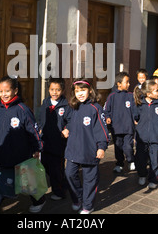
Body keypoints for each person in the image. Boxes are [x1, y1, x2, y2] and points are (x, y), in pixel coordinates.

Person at [0, 76, 44, 214]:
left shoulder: (23, 109)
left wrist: (38, 148)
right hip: (5, 155)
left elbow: (34, 131)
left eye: (7, 91)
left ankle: (39, 200)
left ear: (15, 91)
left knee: (27, 182)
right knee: (1, 185)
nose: (3, 95)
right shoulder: (0, 110)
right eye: (1, 91)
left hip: (21, 155)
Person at [62, 79, 109, 214]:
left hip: (89, 150)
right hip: (73, 149)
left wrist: (101, 146)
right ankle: (78, 198)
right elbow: (70, 122)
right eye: (77, 91)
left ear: (90, 91)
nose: (80, 94)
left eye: (83, 90)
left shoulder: (95, 108)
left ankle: (88, 205)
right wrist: (67, 128)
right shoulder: (73, 107)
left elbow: (102, 129)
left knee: (90, 180)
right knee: (69, 174)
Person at [38, 77, 73, 201]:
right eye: (52, 89)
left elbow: (71, 120)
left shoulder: (66, 105)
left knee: (57, 168)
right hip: (46, 141)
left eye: (57, 90)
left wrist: (67, 128)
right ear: (48, 89)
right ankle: (63, 183)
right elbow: (41, 118)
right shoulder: (45, 102)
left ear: (62, 90)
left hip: (59, 142)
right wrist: (40, 129)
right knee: (45, 165)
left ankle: (60, 191)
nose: (54, 92)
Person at [133, 80, 158, 189]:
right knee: (140, 159)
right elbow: (135, 117)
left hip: (157, 138)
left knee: (155, 161)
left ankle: (153, 179)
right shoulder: (139, 104)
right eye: (156, 91)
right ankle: (142, 175)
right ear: (148, 94)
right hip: (142, 139)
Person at [103, 72, 137, 173]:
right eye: (126, 82)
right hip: (116, 128)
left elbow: (135, 110)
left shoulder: (131, 96)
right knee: (118, 147)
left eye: (129, 82)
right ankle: (119, 163)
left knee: (128, 147)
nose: (129, 84)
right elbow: (106, 109)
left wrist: (136, 118)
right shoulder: (112, 96)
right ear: (118, 83)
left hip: (128, 127)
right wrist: (107, 117)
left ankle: (131, 160)